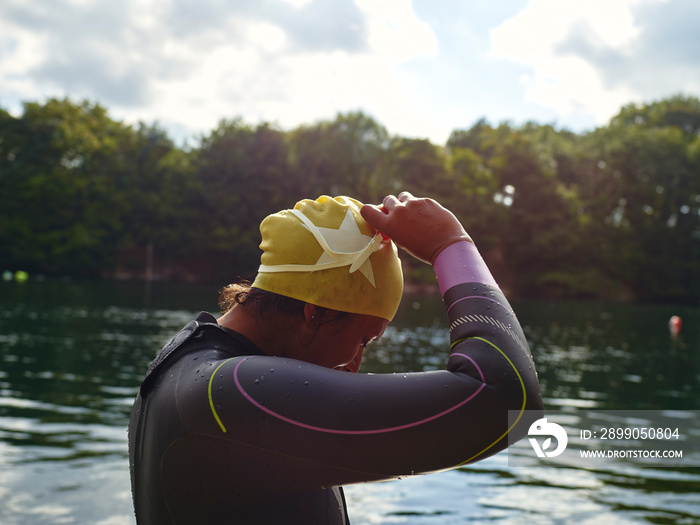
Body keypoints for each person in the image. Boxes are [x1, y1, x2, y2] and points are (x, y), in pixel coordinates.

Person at [128, 192, 543, 524]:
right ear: (315, 312)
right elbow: (505, 401)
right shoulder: (227, 395)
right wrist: (450, 246)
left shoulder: (182, 367)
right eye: (364, 338)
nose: (357, 363)